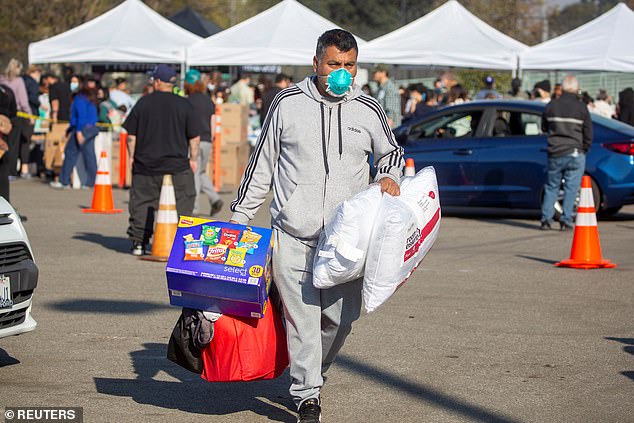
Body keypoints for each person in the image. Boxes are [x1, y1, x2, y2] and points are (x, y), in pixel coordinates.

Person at [229, 29, 403, 422]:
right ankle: (307, 395)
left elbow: (391, 153)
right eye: (334, 65)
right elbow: (263, 165)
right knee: (302, 319)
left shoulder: (369, 109)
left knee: (339, 322)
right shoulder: (286, 104)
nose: (342, 73)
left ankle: (313, 374)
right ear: (316, 64)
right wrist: (240, 217)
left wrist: (388, 175)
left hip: (345, 244)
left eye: (349, 65)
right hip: (292, 234)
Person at [122, 64, 199, 256]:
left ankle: (139, 243)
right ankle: (181, 244)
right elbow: (194, 137)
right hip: (177, 165)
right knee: (183, 202)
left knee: (142, 204)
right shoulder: (184, 104)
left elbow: (131, 135)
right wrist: (194, 159)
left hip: (145, 165)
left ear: (157, 82)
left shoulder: (143, 103)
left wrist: (132, 156)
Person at [540, 75, 592, 231]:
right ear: (576, 89)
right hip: (575, 152)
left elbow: (544, 127)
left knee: (551, 186)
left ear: (561, 88)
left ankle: (546, 219)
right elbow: (588, 132)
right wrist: (584, 148)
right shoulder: (581, 107)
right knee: (571, 187)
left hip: (555, 151)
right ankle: (566, 219)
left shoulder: (552, 105)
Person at [184, 68, 223, 216]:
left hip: (193, 140)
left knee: (193, 172)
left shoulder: (187, 101)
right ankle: (215, 198)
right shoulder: (208, 101)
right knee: (201, 172)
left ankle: (194, 208)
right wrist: (211, 138)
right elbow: (213, 121)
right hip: (207, 140)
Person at [49, 82, 99, 189]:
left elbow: (81, 117)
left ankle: (64, 181)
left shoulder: (79, 99)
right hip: (91, 129)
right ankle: (91, 182)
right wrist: (69, 130)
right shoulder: (89, 99)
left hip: (82, 129)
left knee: (70, 152)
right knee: (89, 155)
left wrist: (78, 132)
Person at [0, 59, 32, 179]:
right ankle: (11, 171)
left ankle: (4, 169)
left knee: (2, 142)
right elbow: (23, 101)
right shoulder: (19, 81)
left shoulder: (2, 79)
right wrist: (29, 114)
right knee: (13, 144)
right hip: (15, 115)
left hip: (2, 115)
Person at [0, 83, 16, 200]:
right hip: (3, 136)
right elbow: (13, 113)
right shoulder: (7, 91)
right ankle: (5, 205)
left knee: (3, 170)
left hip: (3, 137)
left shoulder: (6, 91)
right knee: (3, 171)